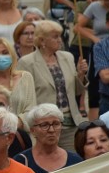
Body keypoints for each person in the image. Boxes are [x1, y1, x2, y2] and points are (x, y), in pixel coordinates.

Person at [16, 20, 88, 150]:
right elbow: (25, 96)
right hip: (44, 125)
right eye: (55, 37)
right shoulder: (26, 62)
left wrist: (81, 75)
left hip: (70, 125)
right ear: (42, 41)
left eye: (60, 36)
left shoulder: (68, 57)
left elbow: (76, 92)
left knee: (72, 163)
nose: (60, 40)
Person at [16, 103, 83, 173]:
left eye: (56, 124)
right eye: (44, 125)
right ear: (32, 131)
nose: (51, 130)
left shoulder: (76, 161)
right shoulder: (21, 162)